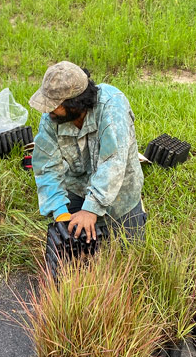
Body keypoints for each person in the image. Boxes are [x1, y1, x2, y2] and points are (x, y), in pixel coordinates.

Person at [30, 61, 146, 241]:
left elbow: (113, 163)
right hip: (78, 188)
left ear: (75, 103)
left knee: (130, 248)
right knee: (76, 246)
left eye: (55, 105)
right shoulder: (51, 119)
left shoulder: (112, 107)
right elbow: (46, 166)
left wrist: (91, 209)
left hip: (121, 193)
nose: (49, 110)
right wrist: (61, 213)